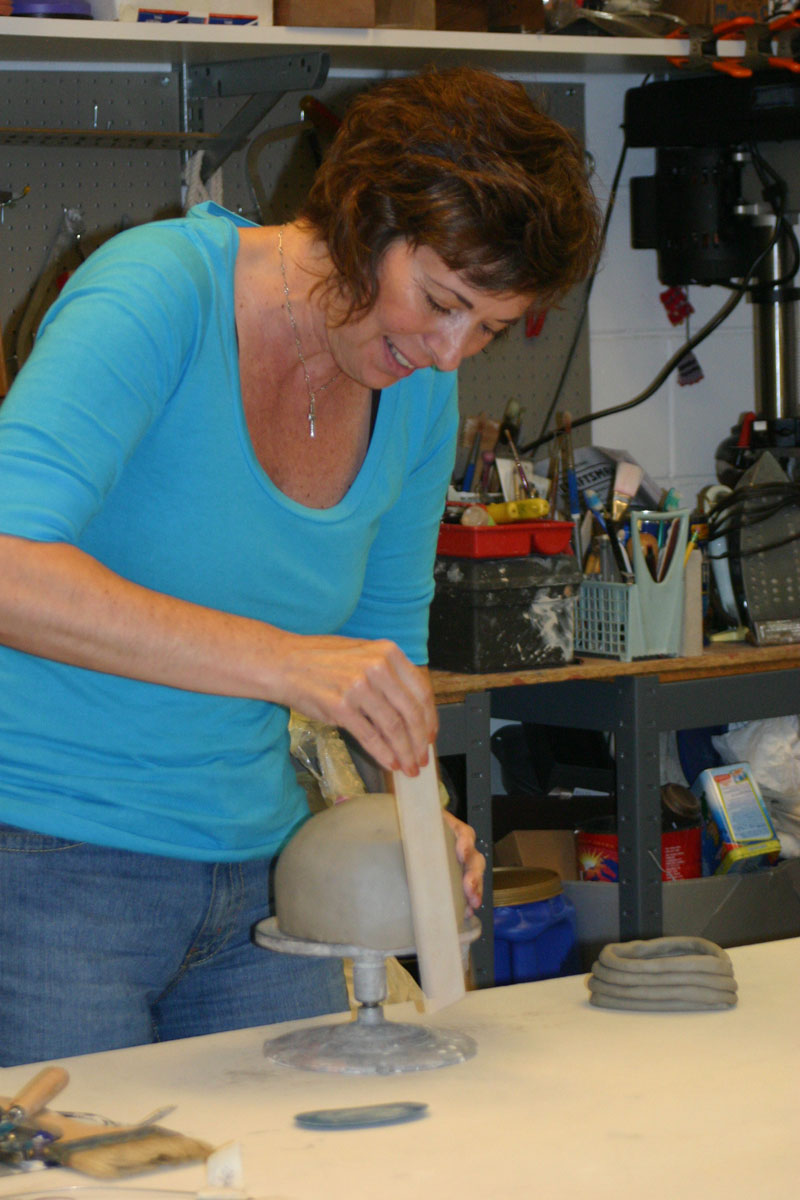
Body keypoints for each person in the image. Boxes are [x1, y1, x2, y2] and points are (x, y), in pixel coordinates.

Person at [0, 66, 601, 1067]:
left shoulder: (413, 397)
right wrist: (285, 661)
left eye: (488, 329)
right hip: (48, 862)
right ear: (365, 219)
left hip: (265, 874)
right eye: (440, 300)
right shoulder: (159, 293)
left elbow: (380, 663)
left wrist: (420, 818)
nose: (450, 352)